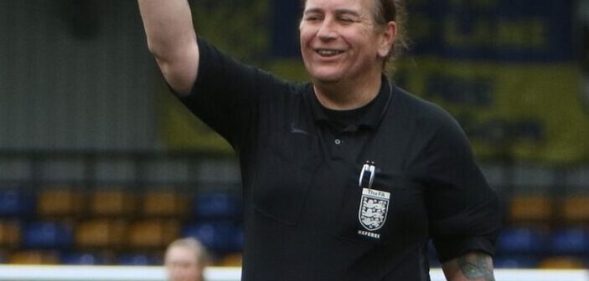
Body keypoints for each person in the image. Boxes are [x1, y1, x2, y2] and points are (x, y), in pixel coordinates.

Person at [138, 0, 502, 280]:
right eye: (313, 17)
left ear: (385, 37)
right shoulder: (263, 109)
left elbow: (467, 258)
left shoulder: (431, 132)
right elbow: (174, 52)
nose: (325, 31)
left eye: (345, 18)